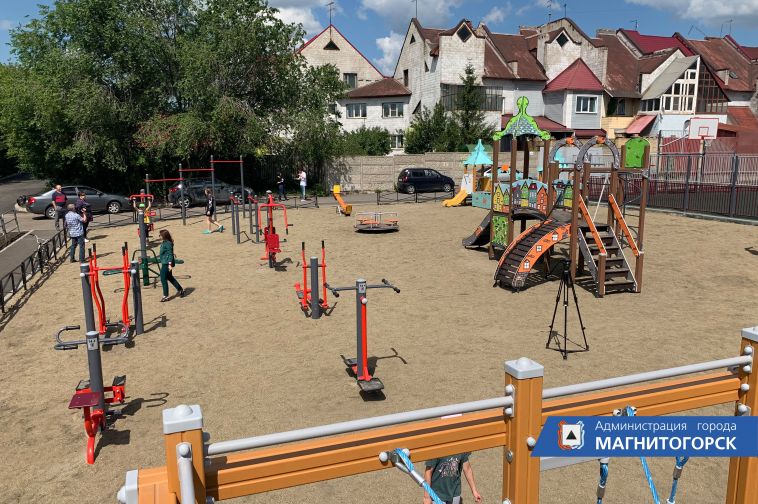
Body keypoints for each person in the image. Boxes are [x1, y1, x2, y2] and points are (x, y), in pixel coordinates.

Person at [158, 229, 185, 302]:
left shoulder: (167, 243)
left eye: (160, 235)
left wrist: (169, 264)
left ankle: (165, 296)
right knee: (170, 277)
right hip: (165, 262)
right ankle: (180, 290)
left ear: (164, 236)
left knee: (163, 279)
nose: (159, 236)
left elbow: (170, 254)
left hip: (167, 263)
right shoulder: (165, 242)